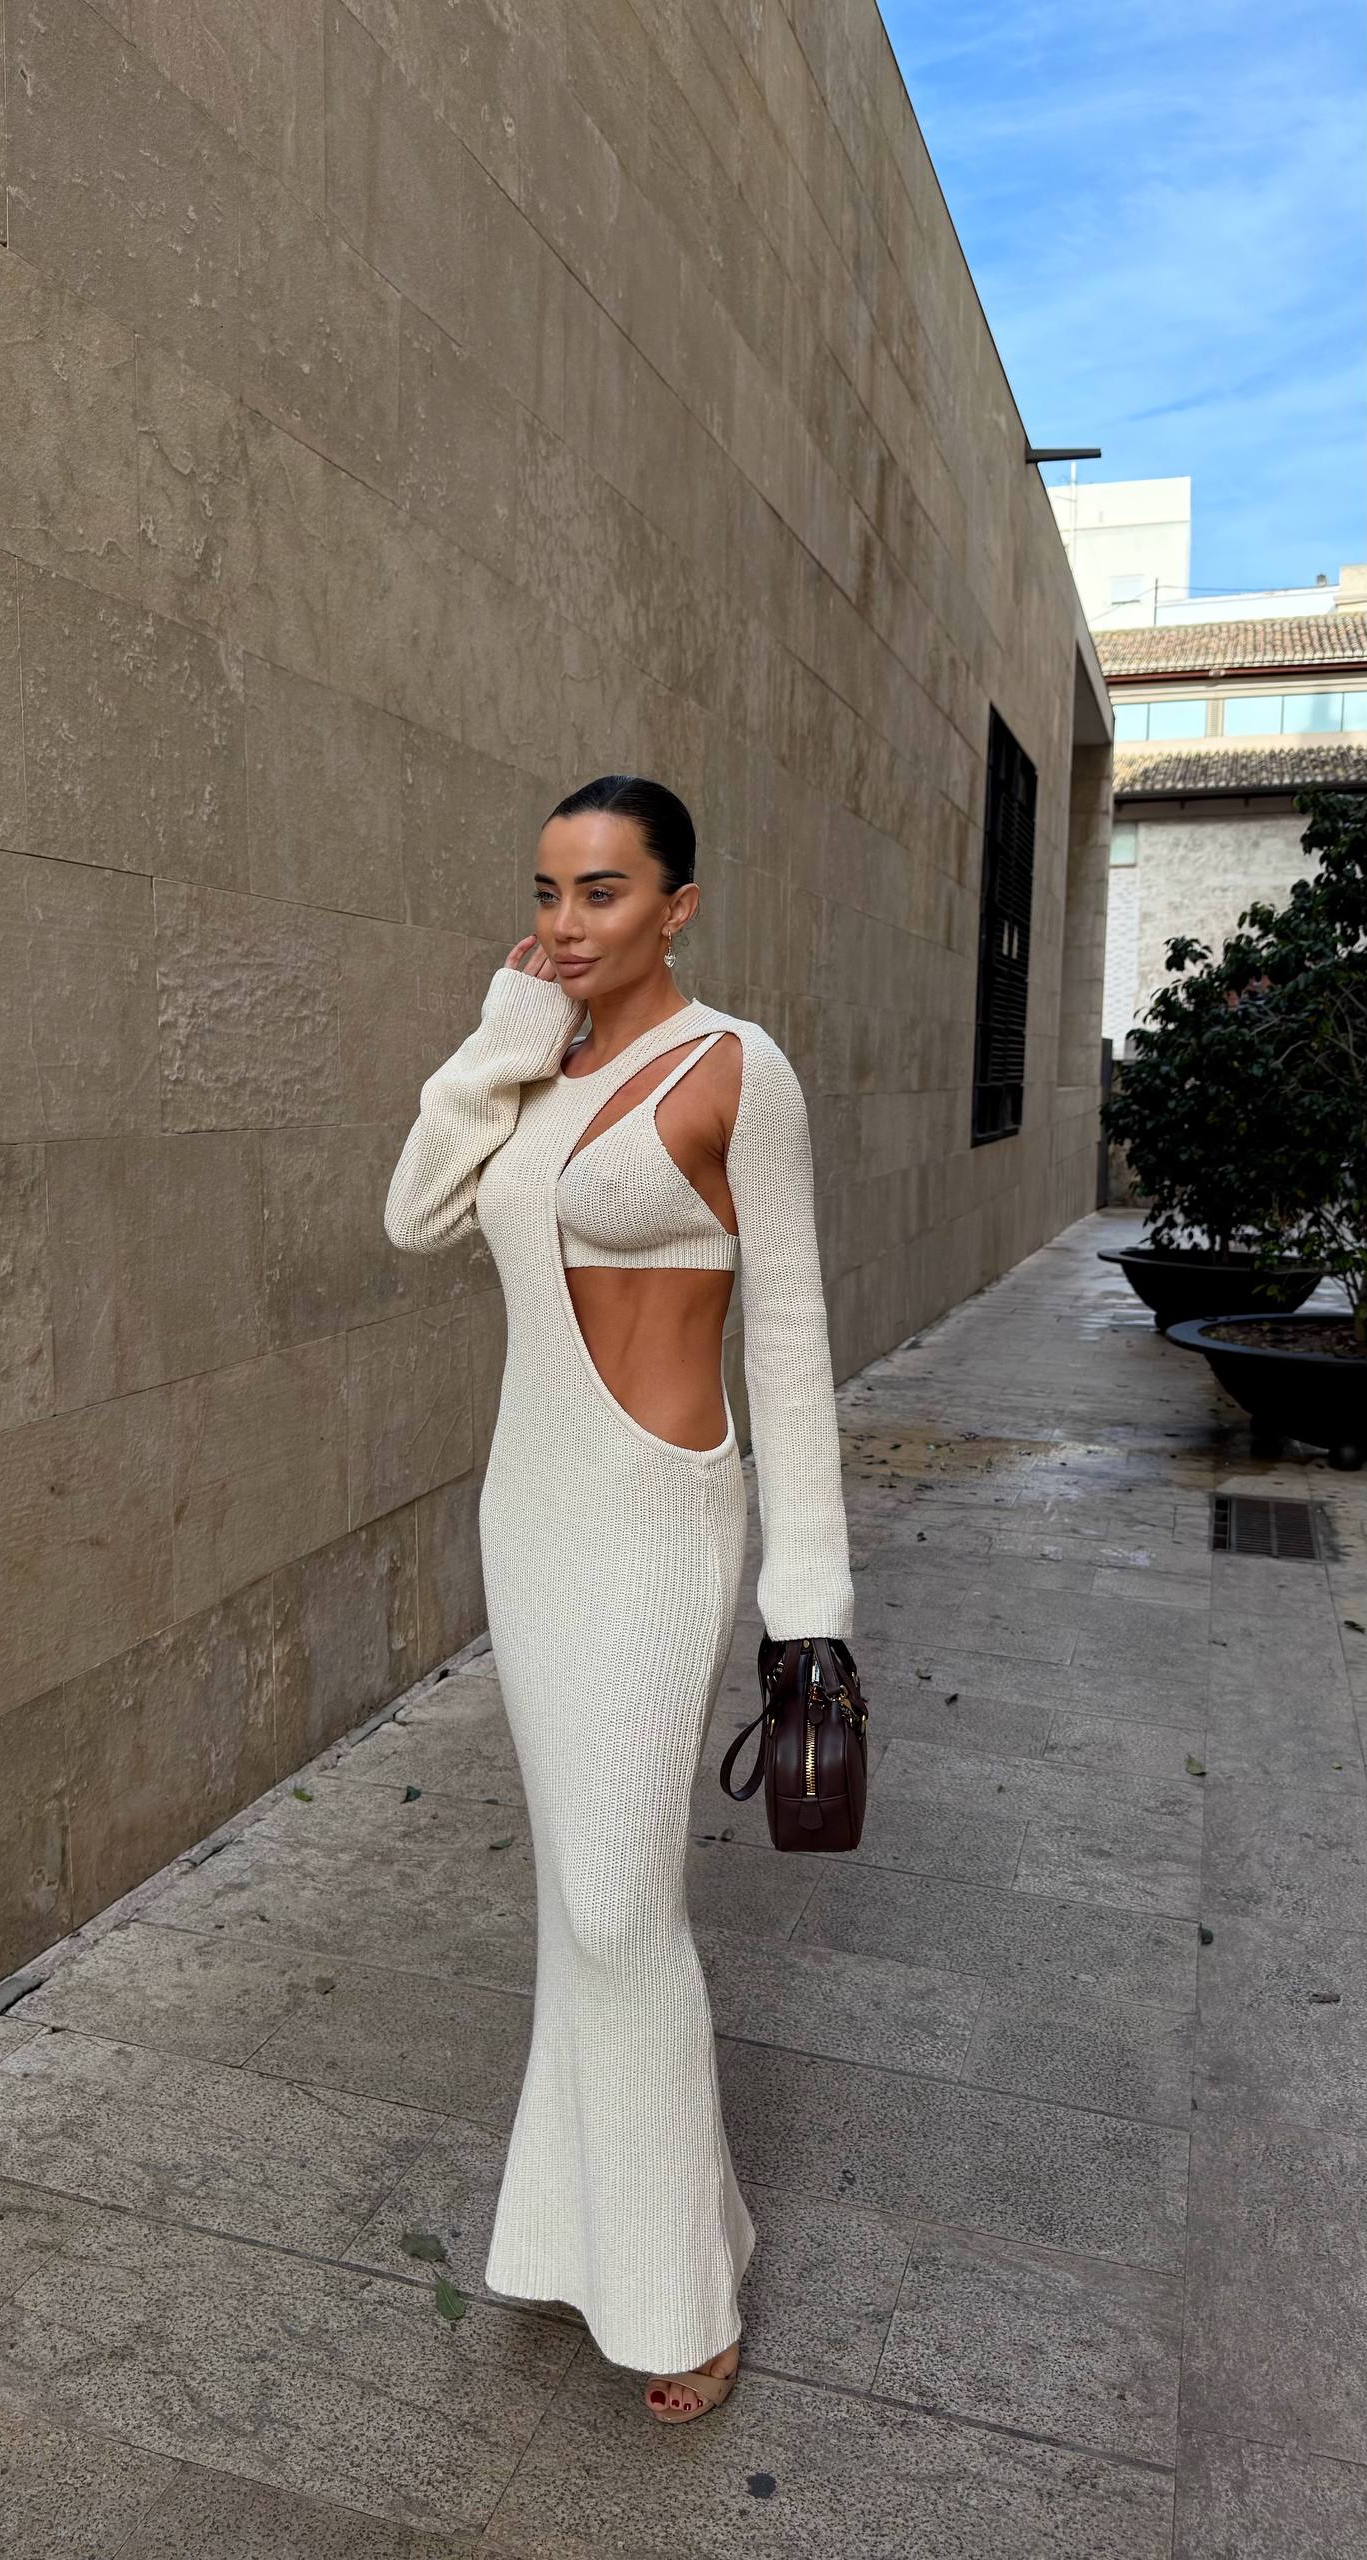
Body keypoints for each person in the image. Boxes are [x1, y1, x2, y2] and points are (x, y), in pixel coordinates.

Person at [383, 774, 855, 2423]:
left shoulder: (738, 1069)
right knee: (573, 1904)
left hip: (660, 1521)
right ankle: (577, 2232)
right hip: (532, 1513)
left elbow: (787, 1333)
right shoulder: (536, 1068)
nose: (568, 922)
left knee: (618, 1904)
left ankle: (684, 2286)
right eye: (548, 892)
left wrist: (810, 1599)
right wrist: (507, 1033)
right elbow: (416, 1214)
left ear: (677, 905)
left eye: (602, 892)